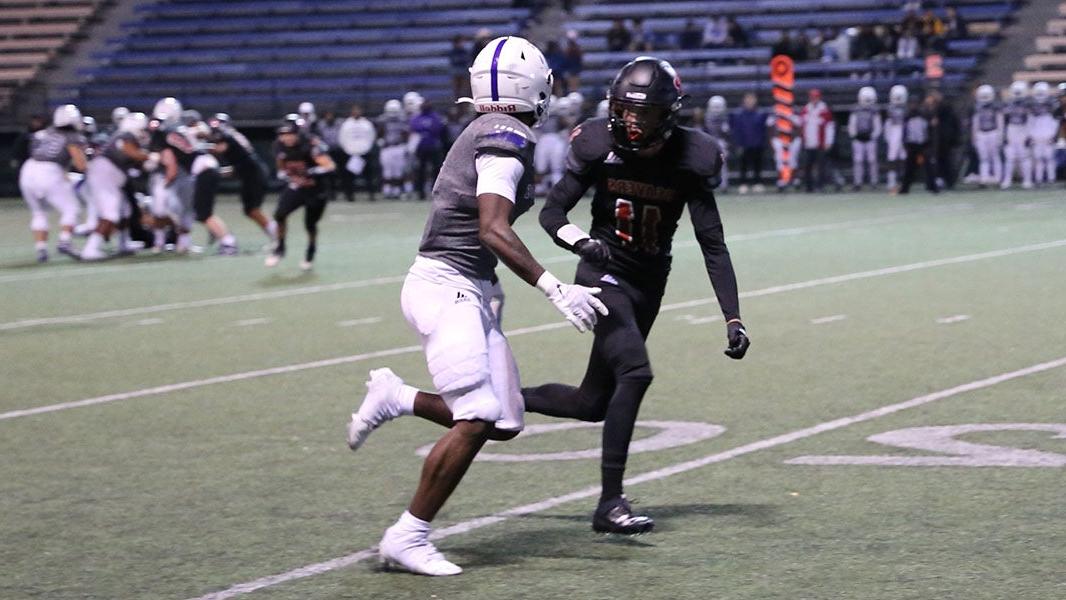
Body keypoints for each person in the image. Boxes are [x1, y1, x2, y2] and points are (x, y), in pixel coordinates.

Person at [347, 36, 606, 576]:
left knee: (504, 419)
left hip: (471, 287)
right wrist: (555, 288)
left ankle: (398, 396)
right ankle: (407, 535)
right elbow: (492, 227)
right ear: (529, 86)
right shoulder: (505, 133)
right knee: (478, 413)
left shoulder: (493, 129)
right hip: (447, 285)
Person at [18, 104, 87, 262]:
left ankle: (41, 249)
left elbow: (38, 151)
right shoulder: (72, 136)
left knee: (39, 212)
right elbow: (81, 164)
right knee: (71, 208)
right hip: (49, 172)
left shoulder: (44, 133)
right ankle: (65, 241)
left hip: (28, 169)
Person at [267, 114, 335, 270]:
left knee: (310, 224)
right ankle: (280, 248)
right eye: (284, 134)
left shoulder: (311, 145)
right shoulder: (279, 145)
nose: (287, 138)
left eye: (291, 134)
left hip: (316, 189)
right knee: (280, 214)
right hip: (297, 186)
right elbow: (281, 166)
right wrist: (284, 174)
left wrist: (313, 171)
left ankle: (310, 251)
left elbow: (330, 166)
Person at [80, 111, 150, 261]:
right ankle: (90, 248)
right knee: (110, 214)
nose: (144, 133)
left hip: (109, 176)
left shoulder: (125, 137)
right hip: (105, 175)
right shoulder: (126, 136)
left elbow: (135, 162)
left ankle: (123, 243)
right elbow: (132, 153)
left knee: (125, 211)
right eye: (143, 129)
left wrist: (144, 161)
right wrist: (150, 157)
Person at [207, 113, 276, 240]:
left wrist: (195, 148)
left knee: (253, 209)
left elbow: (218, 149)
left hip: (253, 174)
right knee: (250, 210)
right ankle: (274, 234)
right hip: (250, 173)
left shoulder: (227, 136)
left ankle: (276, 235)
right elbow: (240, 163)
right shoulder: (233, 137)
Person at [897, 95, 937, 194]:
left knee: (929, 167)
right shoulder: (907, 116)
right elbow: (905, 131)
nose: (913, 105)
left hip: (923, 144)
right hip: (912, 145)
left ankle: (933, 187)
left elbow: (929, 130)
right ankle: (904, 189)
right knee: (909, 168)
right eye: (912, 103)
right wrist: (905, 143)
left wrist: (929, 143)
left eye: (915, 103)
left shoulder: (925, 115)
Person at [338, 104, 378, 200]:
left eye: (358, 110)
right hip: (350, 153)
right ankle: (349, 195)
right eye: (354, 111)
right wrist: (348, 149)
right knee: (349, 177)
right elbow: (342, 138)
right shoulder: (346, 124)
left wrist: (366, 148)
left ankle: (371, 194)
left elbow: (372, 136)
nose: (356, 112)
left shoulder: (366, 123)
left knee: (369, 176)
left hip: (364, 153)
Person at [729, 93, 767, 193]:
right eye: (748, 99)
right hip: (744, 144)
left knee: (757, 165)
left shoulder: (760, 114)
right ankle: (743, 184)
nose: (750, 102)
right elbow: (736, 130)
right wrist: (738, 144)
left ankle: (757, 183)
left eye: (752, 99)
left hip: (757, 144)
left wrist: (762, 142)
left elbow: (763, 130)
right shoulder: (739, 115)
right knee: (743, 165)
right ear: (744, 101)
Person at [799, 89, 835, 192]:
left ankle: (820, 186)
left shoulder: (824, 110)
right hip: (809, 143)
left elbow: (830, 127)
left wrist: (829, 141)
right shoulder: (806, 109)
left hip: (821, 143)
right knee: (807, 166)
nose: (814, 99)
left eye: (816, 97)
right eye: (812, 97)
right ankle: (808, 186)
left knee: (821, 166)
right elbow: (802, 125)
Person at [409, 101, 446, 200]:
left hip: (433, 147)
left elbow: (437, 128)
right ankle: (420, 192)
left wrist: (424, 130)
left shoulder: (435, 117)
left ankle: (435, 191)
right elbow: (414, 127)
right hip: (421, 148)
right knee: (420, 170)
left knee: (436, 170)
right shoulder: (417, 117)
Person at [849, 86, 883, 189]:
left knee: (872, 160)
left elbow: (878, 126)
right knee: (858, 161)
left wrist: (872, 136)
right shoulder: (855, 109)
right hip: (858, 139)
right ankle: (857, 182)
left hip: (870, 139)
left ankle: (874, 182)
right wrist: (855, 135)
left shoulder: (874, 111)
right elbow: (852, 125)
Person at [1001, 81, 1033, 189]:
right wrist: (1004, 135)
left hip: (1023, 129)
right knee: (1010, 157)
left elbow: (1030, 119)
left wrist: (1029, 135)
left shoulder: (1028, 104)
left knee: (1025, 157)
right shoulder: (1008, 103)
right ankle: (1007, 180)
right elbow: (1004, 121)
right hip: (1012, 129)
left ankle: (1027, 180)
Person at [376, 99, 410, 199]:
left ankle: (396, 191)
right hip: (387, 147)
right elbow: (379, 132)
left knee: (398, 171)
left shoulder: (403, 119)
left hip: (398, 146)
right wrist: (380, 139)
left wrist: (406, 144)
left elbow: (405, 133)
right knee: (387, 171)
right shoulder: (382, 119)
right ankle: (387, 190)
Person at [1028, 82, 1059, 186]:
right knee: (1038, 159)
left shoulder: (1052, 107)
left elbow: (1055, 123)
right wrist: (1031, 136)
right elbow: (1030, 123)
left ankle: (1051, 178)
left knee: (1049, 158)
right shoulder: (1032, 108)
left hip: (1047, 135)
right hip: (1037, 136)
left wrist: (1053, 135)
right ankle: (1039, 179)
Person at [703, 95, 730, 191]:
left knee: (722, 164)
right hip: (709, 142)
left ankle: (724, 185)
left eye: (718, 107)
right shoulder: (706, 118)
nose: (717, 110)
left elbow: (727, 134)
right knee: (708, 165)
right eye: (715, 107)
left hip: (721, 143)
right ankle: (709, 184)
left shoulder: (725, 119)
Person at [885, 84, 908, 190]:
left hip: (905, 131)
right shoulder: (890, 108)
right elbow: (888, 122)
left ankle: (904, 179)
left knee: (904, 157)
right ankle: (892, 180)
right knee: (892, 157)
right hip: (894, 131)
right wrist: (887, 135)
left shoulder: (907, 108)